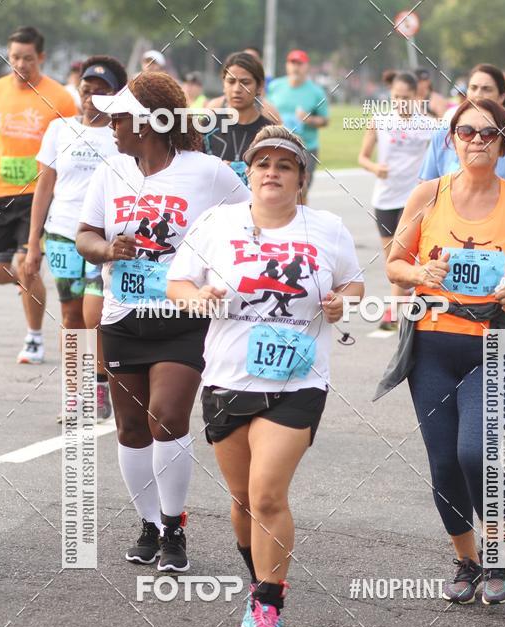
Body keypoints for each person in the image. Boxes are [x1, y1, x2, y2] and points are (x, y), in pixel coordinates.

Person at [166, 125, 364, 627]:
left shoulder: (327, 228)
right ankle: (258, 583)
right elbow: (178, 283)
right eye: (263, 164)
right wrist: (197, 297)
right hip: (228, 377)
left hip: (299, 379)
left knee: (267, 493)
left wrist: (343, 301)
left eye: (284, 165)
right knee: (241, 500)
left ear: (301, 177)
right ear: (248, 173)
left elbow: (353, 282)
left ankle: (269, 607)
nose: (272, 172)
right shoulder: (216, 223)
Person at [377, 99, 505, 605]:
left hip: (493, 346)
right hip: (432, 346)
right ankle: (467, 559)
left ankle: (499, 553)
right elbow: (395, 262)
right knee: (442, 464)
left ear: (504, 144)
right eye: (466, 131)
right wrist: (418, 274)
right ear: (451, 140)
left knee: (476, 451)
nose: (477, 140)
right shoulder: (427, 195)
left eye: (488, 133)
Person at [76, 72, 250, 572]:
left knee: (167, 417)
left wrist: (220, 275)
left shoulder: (207, 172)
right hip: (122, 316)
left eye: (121, 116)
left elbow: (253, 222)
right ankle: (150, 524)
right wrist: (107, 248)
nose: (111, 124)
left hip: (182, 317)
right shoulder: (111, 170)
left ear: (150, 122)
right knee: (131, 429)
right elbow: (84, 234)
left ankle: (175, 527)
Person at [25, 56, 128, 420]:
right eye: (87, 90)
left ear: (116, 96)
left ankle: (99, 387)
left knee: (95, 315)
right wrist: (33, 241)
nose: (92, 98)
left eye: (102, 92)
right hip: (61, 235)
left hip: (101, 239)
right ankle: (74, 393)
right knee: (70, 317)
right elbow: (44, 187)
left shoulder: (121, 135)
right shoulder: (59, 130)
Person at [0, 26, 77, 364]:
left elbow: (72, 149)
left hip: (39, 196)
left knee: (27, 268)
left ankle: (34, 339)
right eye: (14, 58)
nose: (20, 64)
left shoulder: (59, 98)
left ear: (40, 57)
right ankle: (22, 272)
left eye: (28, 58)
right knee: (1, 271)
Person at [358, 71, 437, 331]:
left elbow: (440, 156)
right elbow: (363, 157)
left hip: (413, 199)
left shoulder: (427, 124)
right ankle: (405, 304)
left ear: (417, 96)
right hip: (384, 197)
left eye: (406, 97)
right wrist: (374, 168)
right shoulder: (380, 120)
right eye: (396, 97)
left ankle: (392, 314)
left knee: (408, 255)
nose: (401, 102)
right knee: (392, 259)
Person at [421, 65, 505, 198]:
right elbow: (426, 188)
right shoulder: (443, 135)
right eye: (473, 88)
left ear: (501, 97)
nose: (478, 94)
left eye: (486, 89)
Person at [204, 52, 275, 184]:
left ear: (259, 87)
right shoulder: (207, 126)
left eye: (245, 82)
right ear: (223, 84)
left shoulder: (270, 134)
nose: (237, 89)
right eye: (231, 81)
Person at [267, 50, 328, 200]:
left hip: (306, 147)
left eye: (299, 64)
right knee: (277, 189)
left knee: (301, 190)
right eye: (292, 63)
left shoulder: (316, 92)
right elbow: (265, 109)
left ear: (306, 67)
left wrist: (309, 119)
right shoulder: (275, 86)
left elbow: (325, 120)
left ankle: (302, 221)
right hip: (278, 144)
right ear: (287, 66)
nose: (295, 67)